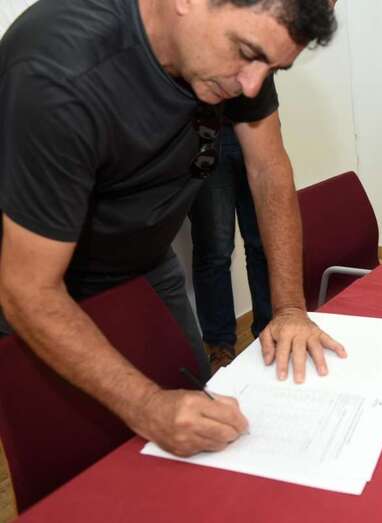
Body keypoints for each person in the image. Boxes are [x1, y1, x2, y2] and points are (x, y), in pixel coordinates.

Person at [0, 0, 346, 458]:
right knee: (73, 460)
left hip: (147, 262)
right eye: (246, 53)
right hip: (42, 285)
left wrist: (289, 308)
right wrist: (147, 406)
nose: (251, 85)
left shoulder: (247, 57)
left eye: (271, 68)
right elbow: (27, 289)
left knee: (201, 425)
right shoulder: (58, 70)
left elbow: (268, 170)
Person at [190, 122, 274, 373]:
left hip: (255, 126)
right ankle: (220, 348)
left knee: (264, 244)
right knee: (214, 250)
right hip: (202, 134)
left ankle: (271, 330)